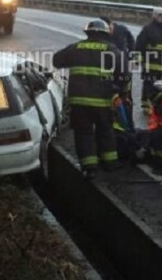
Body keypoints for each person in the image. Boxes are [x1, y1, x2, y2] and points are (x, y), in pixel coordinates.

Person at [52, 19, 129, 179]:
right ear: (107, 33)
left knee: (83, 133)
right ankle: (110, 163)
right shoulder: (112, 50)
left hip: (78, 102)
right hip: (102, 101)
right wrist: (121, 93)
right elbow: (124, 75)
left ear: (88, 32)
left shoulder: (75, 48)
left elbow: (56, 61)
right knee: (106, 130)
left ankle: (90, 167)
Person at [100, 15, 135, 98]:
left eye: (109, 28)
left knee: (125, 92)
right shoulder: (101, 32)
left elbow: (133, 44)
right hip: (107, 67)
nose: (108, 32)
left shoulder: (122, 30)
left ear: (111, 24)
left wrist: (132, 59)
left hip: (123, 65)